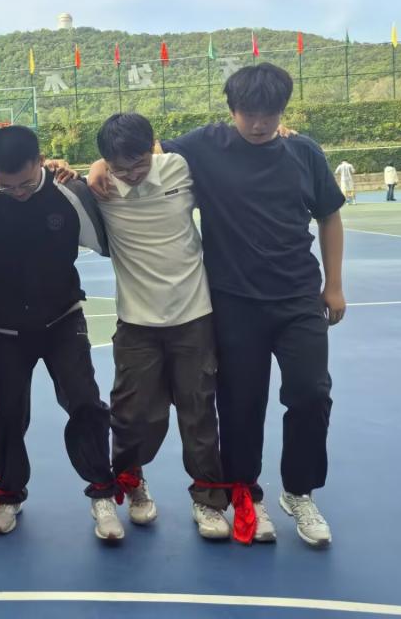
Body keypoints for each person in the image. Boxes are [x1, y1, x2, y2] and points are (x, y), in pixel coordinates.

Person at [92, 64, 345, 548]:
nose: (260, 124)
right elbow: (143, 149)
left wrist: (334, 285)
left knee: (311, 393)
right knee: (239, 404)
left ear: (283, 111)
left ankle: (299, 492)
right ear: (232, 110)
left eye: (270, 114)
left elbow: (329, 215)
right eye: (249, 113)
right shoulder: (205, 145)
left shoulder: (304, 152)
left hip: (298, 296)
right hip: (233, 301)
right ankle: (246, 493)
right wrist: (99, 165)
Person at [0, 126, 119, 541]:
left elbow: (111, 243)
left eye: (24, 182)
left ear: (41, 161)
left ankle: (102, 493)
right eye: (7, 185)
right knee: (8, 414)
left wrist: (96, 168)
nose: (17, 192)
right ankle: (9, 493)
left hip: (62, 321)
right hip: (3, 330)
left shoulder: (70, 194)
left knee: (85, 403)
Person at [89, 113, 231, 541]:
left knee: (199, 412)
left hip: (194, 316)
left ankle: (207, 500)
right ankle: (132, 483)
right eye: (120, 167)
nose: (131, 175)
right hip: (137, 324)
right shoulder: (99, 188)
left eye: (138, 163)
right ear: (106, 162)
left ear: (153, 147)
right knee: (131, 415)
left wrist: (281, 131)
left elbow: (224, 136)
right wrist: (96, 170)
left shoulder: (180, 168)